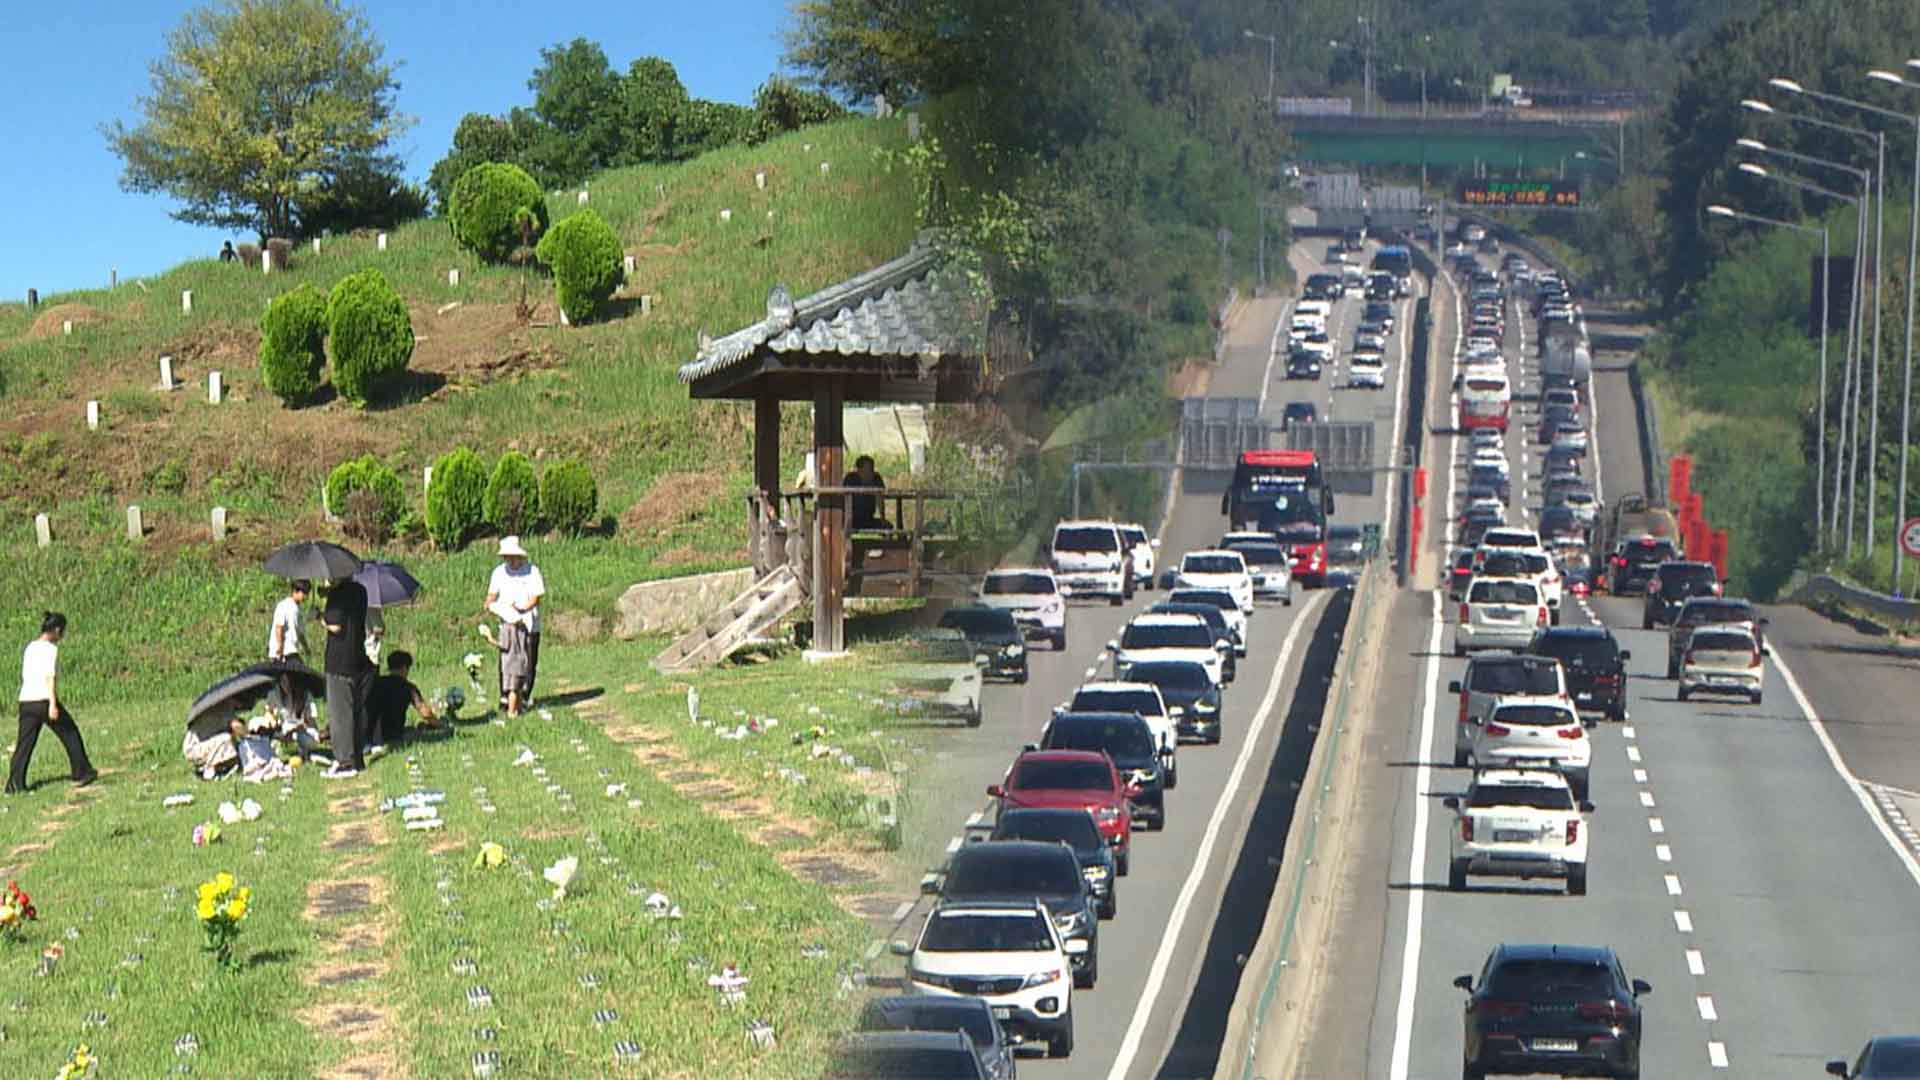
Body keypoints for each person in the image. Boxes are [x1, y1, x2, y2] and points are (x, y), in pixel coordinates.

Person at [6, 612, 96, 794]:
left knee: (24, 744)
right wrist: (53, 704)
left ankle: (14, 784)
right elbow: (50, 677)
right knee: (70, 732)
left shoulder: (30, 647)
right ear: (56, 630)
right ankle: (82, 772)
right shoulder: (50, 649)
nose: (61, 636)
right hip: (43, 700)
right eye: (62, 632)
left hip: (26, 700)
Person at [483, 536, 545, 711]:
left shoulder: (532, 571)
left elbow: (536, 597)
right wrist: (489, 603)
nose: (510, 560)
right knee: (507, 660)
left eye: (512, 556)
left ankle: (523, 696)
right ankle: (506, 697)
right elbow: (492, 595)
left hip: (528, 624)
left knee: (528, 661)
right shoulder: (498, 573)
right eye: (507, 557)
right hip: (508, 626)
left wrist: (522, 608)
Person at [320, 578, 373, 778]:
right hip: (357, 657)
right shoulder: (361, 591)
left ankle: (344, 761)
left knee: (340, 713)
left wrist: (320, 616)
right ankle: (356, 758)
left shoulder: (337, 595)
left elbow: (335, 625)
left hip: (338, 661)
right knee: (355, 712)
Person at [366, 651, 440, 746]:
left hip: (372, 735)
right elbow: (425, 713)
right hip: (394, 735)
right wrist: (439, 724)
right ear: (405, 668)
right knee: (417, 731)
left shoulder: (376, 683)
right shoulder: (408, 688)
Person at [843, 455, 889, 529]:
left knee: (888, 527)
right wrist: (848, 520)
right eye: (867, 469)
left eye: (871, 469)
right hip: (852, 519)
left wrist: (882, 518)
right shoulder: (851, 479)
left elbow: (880, 498)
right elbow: (845, 498)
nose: (870, 472)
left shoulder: (876, 478)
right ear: (859, 470)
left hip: (868, 518)